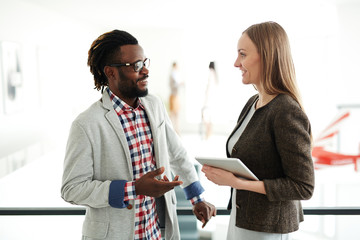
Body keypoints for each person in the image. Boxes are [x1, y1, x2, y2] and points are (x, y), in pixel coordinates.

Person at [61, 30, 216, 240]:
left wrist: (196, 197)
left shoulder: (154, 105)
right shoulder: (87, 124)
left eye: (145, 63)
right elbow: (72, 189)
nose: (145, 71)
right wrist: (132, 189)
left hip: (155, 232)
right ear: (111, 72)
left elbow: (176, 153)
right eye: (136, 66)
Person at [201, 21, 315, 240]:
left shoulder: (285, 111)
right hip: (241, 218)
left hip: (267, 229)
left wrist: (236, 182)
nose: (236, 63)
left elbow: (303, 187)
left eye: (242, 54)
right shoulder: (253, 103)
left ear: (267, 56)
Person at [201, 61, 218, 140]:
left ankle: (208, 133)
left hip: (208, 98)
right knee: (209, 117)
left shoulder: (210, 73)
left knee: (204, 116)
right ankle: (209, 133)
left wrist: (205, 99)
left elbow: (208, 87)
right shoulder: (215, 74)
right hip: (213, 98)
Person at [169, 62, 183, 134]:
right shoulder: (172, 74)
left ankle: (177, 130)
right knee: (172, 114)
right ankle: (172, 130)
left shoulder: (176, 74)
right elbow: (173, 85)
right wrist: (180, 84)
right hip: (173, 96)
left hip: (176, 96)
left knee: (176, 114)